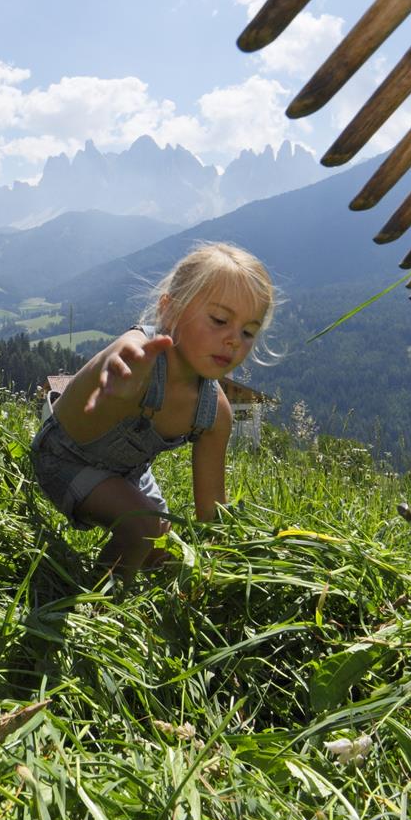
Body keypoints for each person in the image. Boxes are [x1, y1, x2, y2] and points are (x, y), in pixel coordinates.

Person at [31, 242, 273, 575]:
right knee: (142, 528)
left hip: (128, 477)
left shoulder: (215, 413)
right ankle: (101, 609)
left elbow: (212, 512)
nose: (234, 340)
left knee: (169, 556)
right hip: (63, 457)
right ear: (169, 311)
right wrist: (117, 390)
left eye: (248, 332)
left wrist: (228, 569)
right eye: (219, 320)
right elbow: (90, 414)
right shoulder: (136, 354)